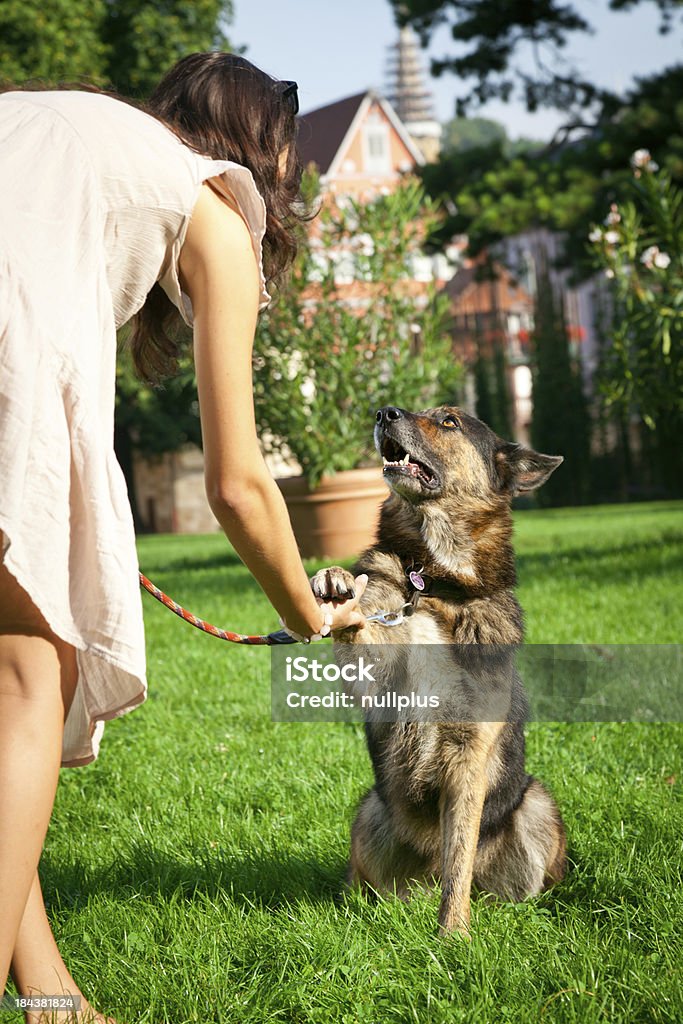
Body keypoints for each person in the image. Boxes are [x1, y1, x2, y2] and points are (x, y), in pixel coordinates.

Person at [0, 52, 366, 1022]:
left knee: (7, 697)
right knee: (29, 684)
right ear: (257, 149)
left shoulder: (72, 126)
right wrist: (305, 614)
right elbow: (241, 484)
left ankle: (48, 996)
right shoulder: (215, 205)